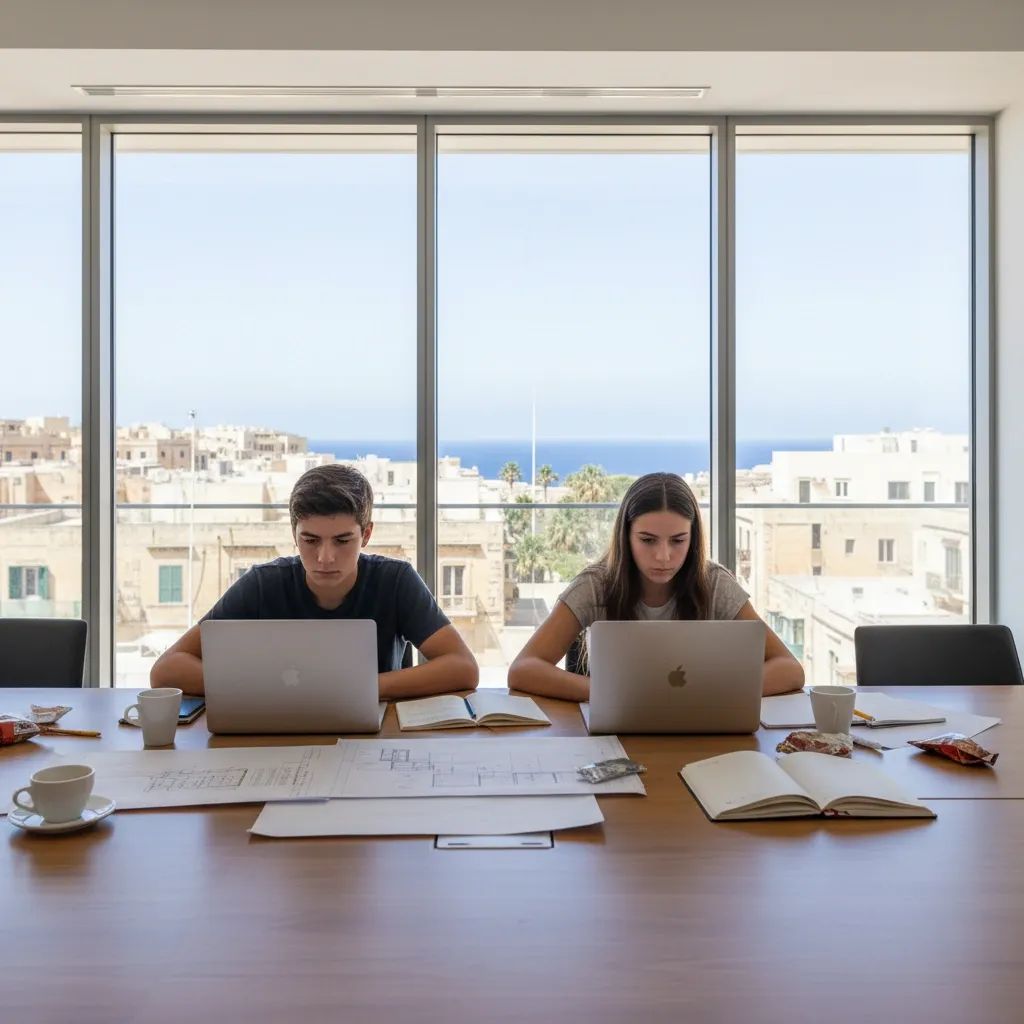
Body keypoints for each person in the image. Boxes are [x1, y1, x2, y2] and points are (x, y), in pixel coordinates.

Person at [151, 463, 479, 698]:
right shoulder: (263, 584)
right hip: (275, 736)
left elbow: (462, 667)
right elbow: (167, 671)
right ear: (293, 534)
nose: (324, 557)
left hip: (372, 738)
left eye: (341, 540)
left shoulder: (395, 580)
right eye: (310, 540)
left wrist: (359, 689)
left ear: (366, 535)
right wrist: (273, 688)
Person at [508, 471, 804, 701]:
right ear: (626, 536)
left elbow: (788, 668)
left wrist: (719, 693)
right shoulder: (596, 585)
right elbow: (524, 669)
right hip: (615, 734)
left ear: (693, 537)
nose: (664, 556)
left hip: (698, 734)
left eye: (678, 541)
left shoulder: (714, 583)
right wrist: (608, 694)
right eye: (648, 540)